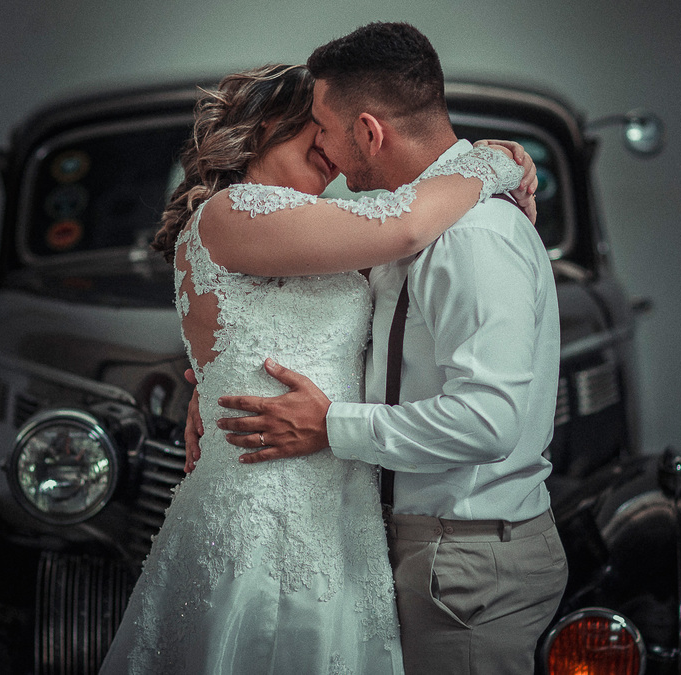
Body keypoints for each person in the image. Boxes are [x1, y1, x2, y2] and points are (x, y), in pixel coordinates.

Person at [97, 61, 534, 674]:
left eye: (331, 130)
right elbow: (408, 224)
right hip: (262, 505)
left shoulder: (312, 227)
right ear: (267, 124)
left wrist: (214, 382)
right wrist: (494, 163)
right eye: (317, 126)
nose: (331, 148)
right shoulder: (232, 212)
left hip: (344, 515)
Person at [213, 23, 567, 675]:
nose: (320, 143)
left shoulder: (469, 239)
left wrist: (330, 426)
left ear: (369, 132)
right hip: (412, 545)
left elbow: (490, 421)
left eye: (322, 125)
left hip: (466, 558)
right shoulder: (407, 224)